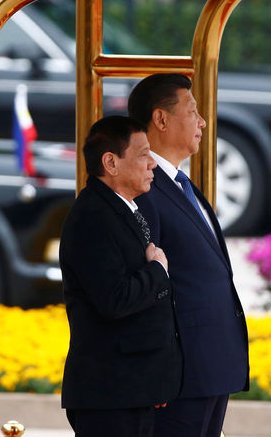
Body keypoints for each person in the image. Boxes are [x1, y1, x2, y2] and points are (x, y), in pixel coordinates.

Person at [128, 73, 249, 437]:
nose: (202, 122)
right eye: (192, 111)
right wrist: (156, 369)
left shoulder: (182, 184)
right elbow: (148, 285)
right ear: (160, 120)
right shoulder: (144, 188)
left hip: (210, 366)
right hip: (181, 375)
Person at [59, 115, 182, 437]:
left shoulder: (121, 208)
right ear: (111, 162)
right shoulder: (92, 217)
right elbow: (114, 299)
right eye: (143, 154)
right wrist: (158, 271)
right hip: (109, 393)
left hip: (133, 388)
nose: (152, 164)